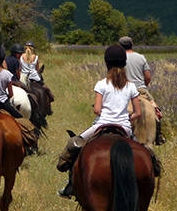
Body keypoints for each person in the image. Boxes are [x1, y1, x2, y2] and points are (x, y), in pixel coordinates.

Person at [57, 44, 159, 199]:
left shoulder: (101, 84)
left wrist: (104, 113)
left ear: (106, 63)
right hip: (125, 128)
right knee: (146, 151)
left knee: (75, 142)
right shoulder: (131, 86)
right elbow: (138, 113)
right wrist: (126, 117)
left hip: (101, 124)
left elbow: (97, 110)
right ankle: (154, 170)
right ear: (124, 64)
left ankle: (70, 185)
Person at [119, 36, 166, 145]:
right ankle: (158, 135)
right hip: (141, 90)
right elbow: (148, 77)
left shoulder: (119, 59)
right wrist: (143, 86)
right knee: (156, 112)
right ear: (132, 44)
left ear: (120, 47)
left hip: (123, 90)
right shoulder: (141, 57)